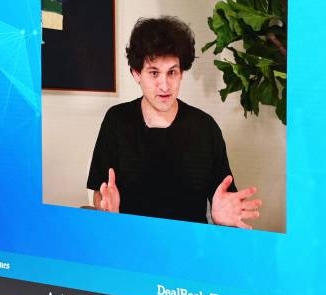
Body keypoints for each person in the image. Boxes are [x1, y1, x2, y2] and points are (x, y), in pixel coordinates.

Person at [86, 16, 261, 227]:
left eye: (172, 72)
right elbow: (100, 192)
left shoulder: (205, 128)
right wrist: (106, 210)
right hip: (131, 239)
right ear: (136, 73)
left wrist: (221, 220)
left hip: (188, 244)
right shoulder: (117, 121)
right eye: (154, 73)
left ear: (181, 73)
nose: (164, 86)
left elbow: (224, 199)